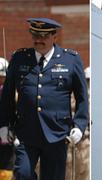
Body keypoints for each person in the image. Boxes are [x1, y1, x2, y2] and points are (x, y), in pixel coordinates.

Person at [0, 18, 89, 180]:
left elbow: (82, 96)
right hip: (26, 132)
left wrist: (80, 124)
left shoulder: (70, 60)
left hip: (57, 133)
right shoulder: (19, 58)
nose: (38, 40)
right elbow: (7, 95)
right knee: (22, 173)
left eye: (44, 36)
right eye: (35, 35)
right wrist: (4, 124)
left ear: (54, 37)